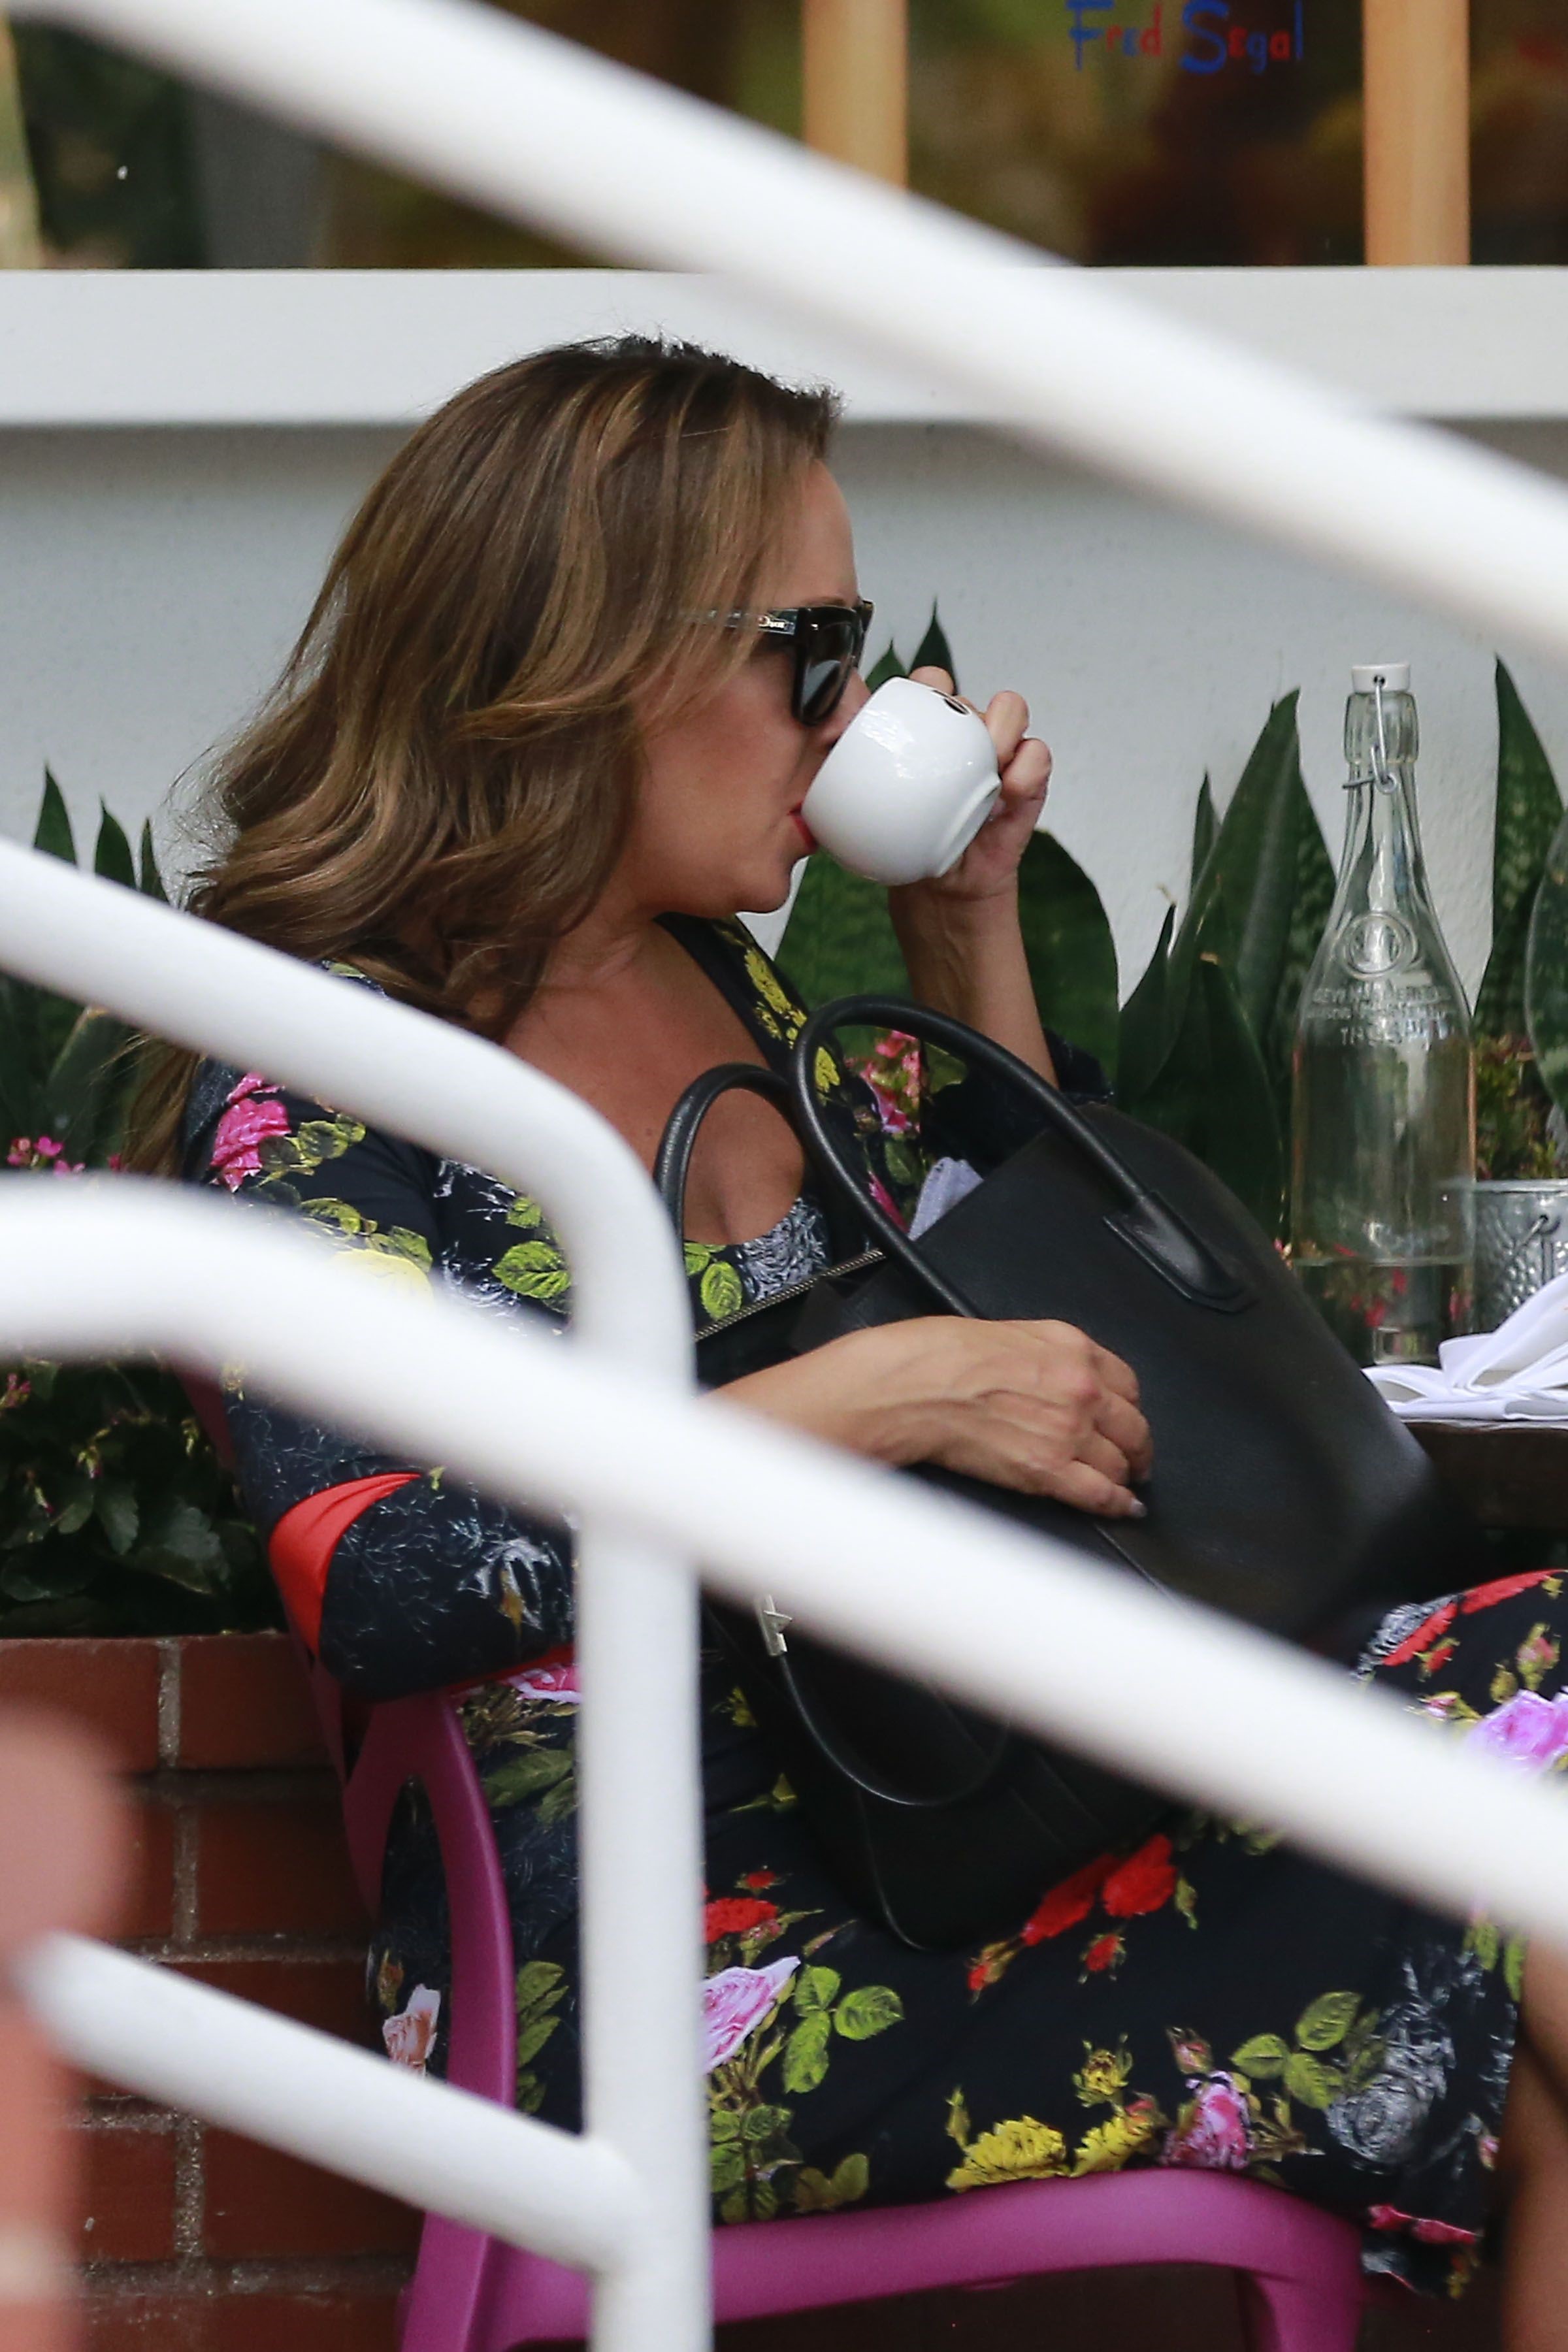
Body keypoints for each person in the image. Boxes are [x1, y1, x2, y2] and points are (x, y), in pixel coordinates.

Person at [134, 336, 1568, 2334]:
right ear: (588, 650)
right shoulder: (321, 1078)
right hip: (695, 1977)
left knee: (1545, 1699)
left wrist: (965, 927)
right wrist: (854, 1403)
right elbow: (380, 1576)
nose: (851, 711)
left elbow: (1032, 1297)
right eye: (809, 651)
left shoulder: (725, 994)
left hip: (986, 1817)